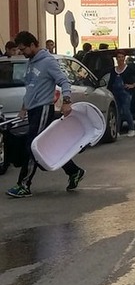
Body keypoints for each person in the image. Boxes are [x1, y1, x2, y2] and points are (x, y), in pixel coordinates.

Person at [6, 31, 85, 198]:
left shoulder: (48, 62)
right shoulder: (31, 62)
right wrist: (24, 107)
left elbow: (64, 81)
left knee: (32, 146)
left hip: (43, 109)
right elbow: (31, 87)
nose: (22, 52)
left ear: (33, 45)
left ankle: (24, 185)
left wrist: (67, 101)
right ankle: (74, 171)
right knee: (46, 147)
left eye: (24, 49)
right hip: (33, 110)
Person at [107, 50, 135, 137]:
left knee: (126, 110)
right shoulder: (113, 70)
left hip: (126, 93)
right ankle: (117, 131)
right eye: (119, 57)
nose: (120, 59)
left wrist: (133, 85)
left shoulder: (129, 69)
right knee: (117, 112)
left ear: (124, 58)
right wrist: (109, 92)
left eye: (122, 57)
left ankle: (131, 128)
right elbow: (111, 82)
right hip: (116, 93)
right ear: (116, 59)